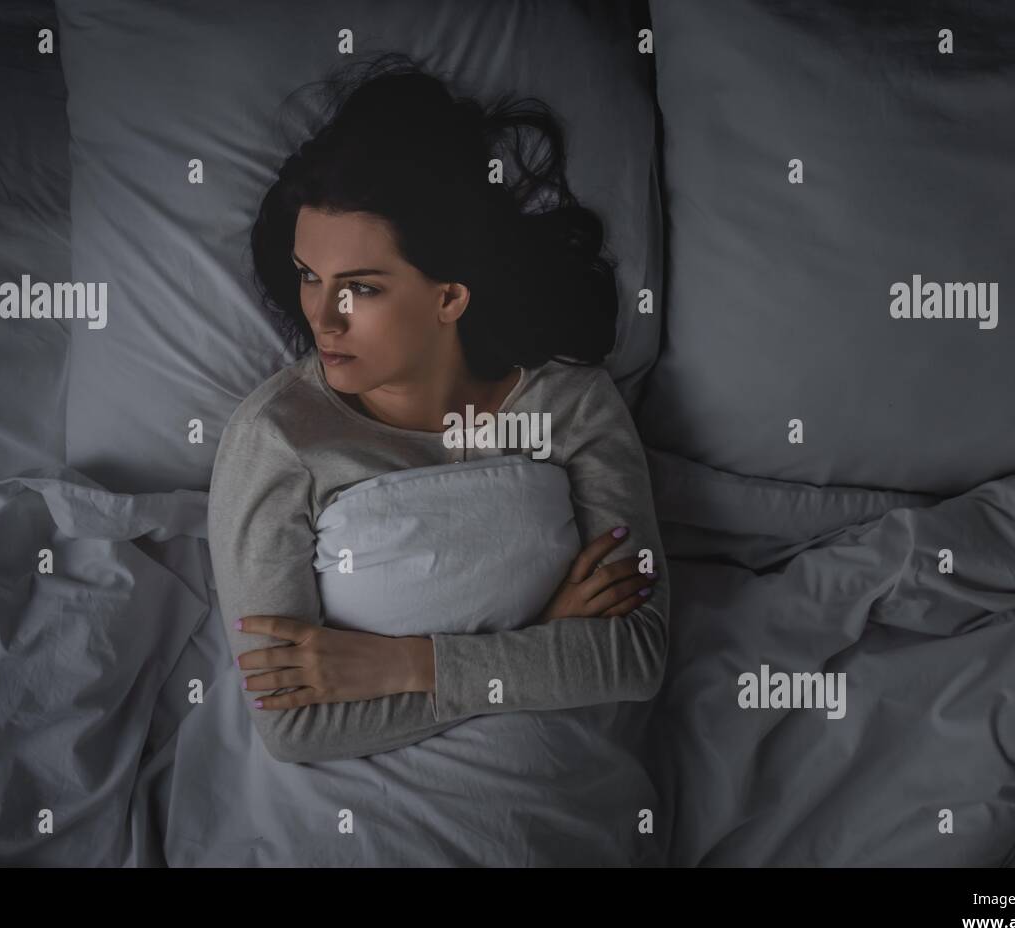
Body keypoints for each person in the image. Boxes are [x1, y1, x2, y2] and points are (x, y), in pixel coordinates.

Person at [207, 53, 669, 764]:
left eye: (360, 287)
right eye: (309, 276)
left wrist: (410, 664)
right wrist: (544, 635)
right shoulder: (276, 439)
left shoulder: (569, 402)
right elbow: (293, 726)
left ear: (449, 296)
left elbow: (635, 654)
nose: (323, 319)